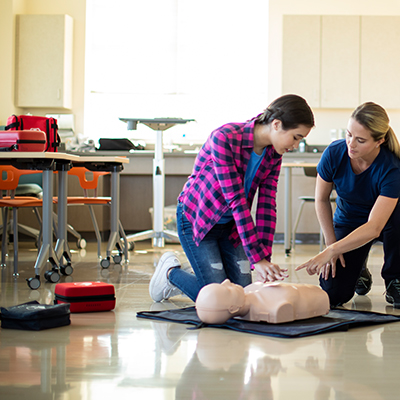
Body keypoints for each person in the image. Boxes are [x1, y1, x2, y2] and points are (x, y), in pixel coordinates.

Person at [149, 94, 315, 302]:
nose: (296, 145)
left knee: (244, 297)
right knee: (221, 300)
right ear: (276, 124)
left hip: (232, 228)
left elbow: (266, 205)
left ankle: (202, 270)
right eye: (296, 137)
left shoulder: (274, 154)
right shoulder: (225, 137)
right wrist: (257, 257)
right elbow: (236, 201)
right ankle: (170, 273)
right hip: (198, 223)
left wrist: (263, 260)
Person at [296, 102, 400, 308]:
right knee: (333, 294)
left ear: (379, 140)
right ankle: (358, 268)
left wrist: (333, 250)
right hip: (349, 220)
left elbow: (374, 227)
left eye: (360, 140)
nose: (351, 144)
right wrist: (331, 246)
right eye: (349, 134)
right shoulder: (334, 153)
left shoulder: (392, 168)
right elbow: (321, 199)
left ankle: (394, 278)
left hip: (387, 223)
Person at [195, 279, 330, 324]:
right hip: (318, 296)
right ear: (233, 309)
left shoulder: (249, 289)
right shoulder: (274, 308)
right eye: (227, 290)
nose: (227, 281)